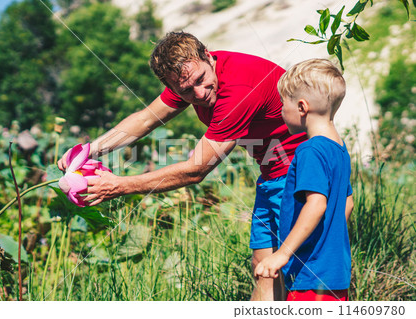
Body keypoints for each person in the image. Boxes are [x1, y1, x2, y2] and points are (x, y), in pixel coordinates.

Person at [58, 31, 306, 300]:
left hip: (302, 175)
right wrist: (89, 148)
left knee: (303, 274)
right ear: (173, 86)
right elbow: (144, 120)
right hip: (272, 174)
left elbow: (196, 169)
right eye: (186, 91)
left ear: (209, 57)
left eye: (201, 80)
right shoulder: (189, 75)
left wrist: (118, 186)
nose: (199, 93)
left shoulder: (237, 91)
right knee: (263, 269)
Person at [254, 58, 354, 301]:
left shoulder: (310, 150)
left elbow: (317, 204)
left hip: (310, 275)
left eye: (282, 104)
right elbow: (347, 203)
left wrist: (282, 254)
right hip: (335, 272)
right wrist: (327, 239)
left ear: (302, 107)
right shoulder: (339, 149)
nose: (280, 111)